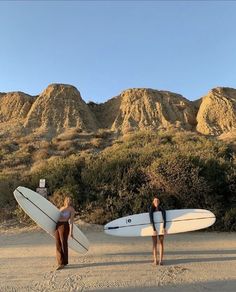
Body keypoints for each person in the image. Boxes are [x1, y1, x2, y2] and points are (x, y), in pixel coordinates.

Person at [55, 196, 75, 270]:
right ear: (65, 200)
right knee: (58, 243)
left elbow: (71, 222)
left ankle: (63, 262)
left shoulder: (72, 210)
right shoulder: (61, 208)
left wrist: (71, 232)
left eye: (70, 200)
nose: (68, 201)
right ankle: (60, 261)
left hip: (64, 226)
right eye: (67, 200)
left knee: (64, 243)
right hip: (58, 225)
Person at [149, 196, 166, 265]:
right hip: (154, 228)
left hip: (161, 228)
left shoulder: (162, 209)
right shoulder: (151, 209)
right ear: (153, 202)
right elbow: (151, 219)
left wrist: (164, 228)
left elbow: (165, 218)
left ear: (159, 202)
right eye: (155, 201)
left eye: (157, 200)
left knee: (161, 243)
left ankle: (161, 260)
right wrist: (154, 229)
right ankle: (155, 260)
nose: (156, 202)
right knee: (154, 243)